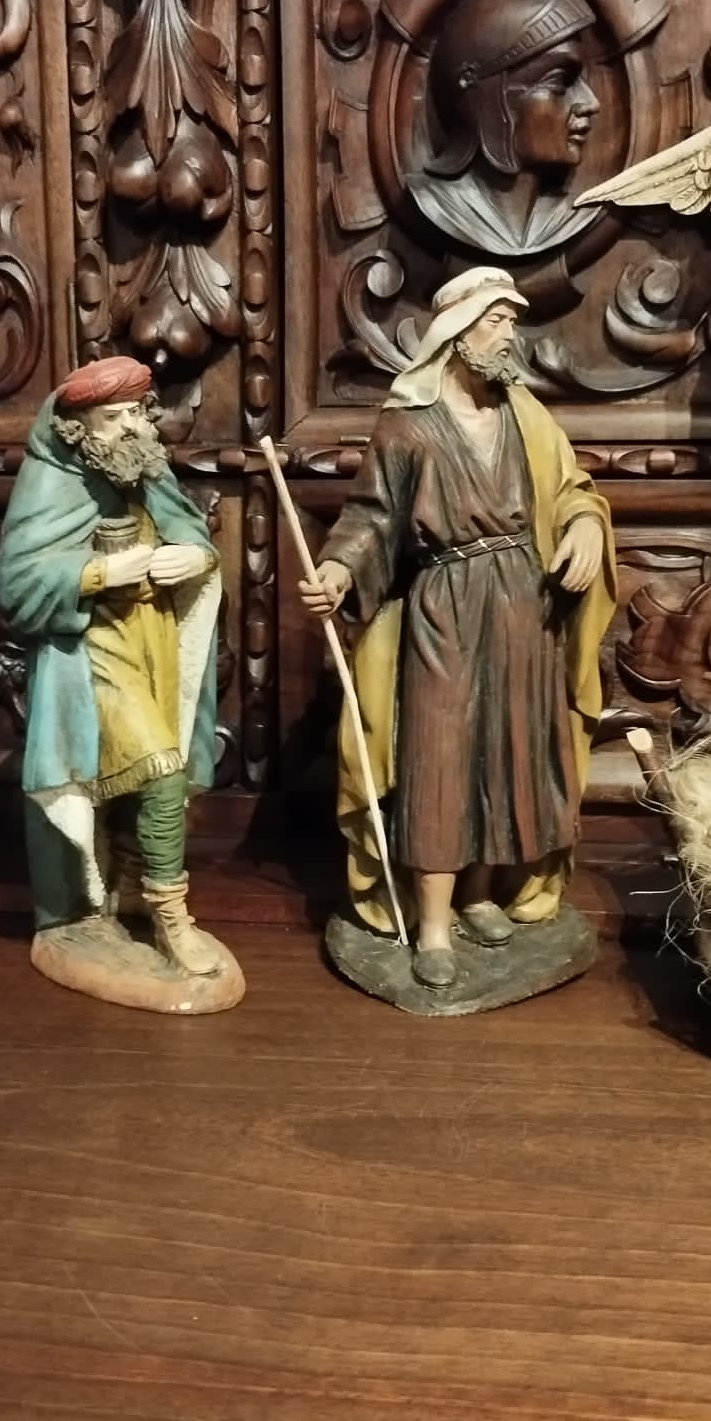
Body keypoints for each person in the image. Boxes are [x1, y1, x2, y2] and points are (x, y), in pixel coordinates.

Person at [302, 266, 616, 989]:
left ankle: (479, 894)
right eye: (497, 321)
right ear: (457, 331)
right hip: (446, 603)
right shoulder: (408, 425)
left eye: (512, 321)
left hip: (527, 605)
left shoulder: (523, 414)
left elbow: (572, 488)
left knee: (507, 753)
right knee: (440, 758)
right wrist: (340, 571)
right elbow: (371, 516)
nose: (510, 334)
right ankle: (434, 927)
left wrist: (584, 526)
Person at [0, 355, 228, 988]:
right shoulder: (51, 482)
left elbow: (190, 532)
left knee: (148, 779)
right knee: (161, 769)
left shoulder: (144, 464)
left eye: (135, 414)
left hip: (155, 640)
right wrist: (99, 573)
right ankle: (172, 918)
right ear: (78, 427)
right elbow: (18, 587)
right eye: (112, 418)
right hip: (91, 654)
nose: (129, 427)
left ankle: (128, 890)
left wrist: (195, 558)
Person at [414, 0, 602, 255]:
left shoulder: (575, 215)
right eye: (560, 82)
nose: (591, 103)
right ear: (488, 96)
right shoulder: (437, 205)